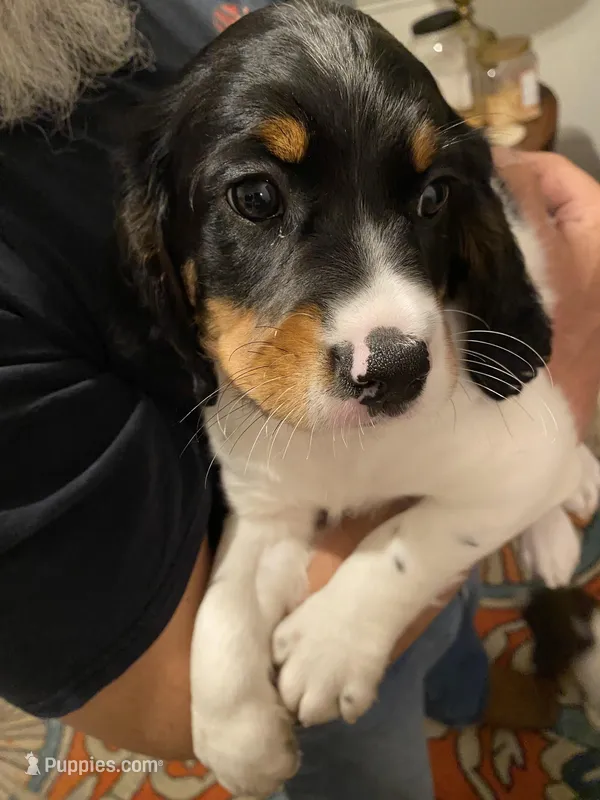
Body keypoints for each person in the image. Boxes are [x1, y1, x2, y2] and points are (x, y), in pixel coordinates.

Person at [1, 1, 600, 798]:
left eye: (426, 203)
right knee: (365, 757)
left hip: (431, 504)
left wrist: (552, 419)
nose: (386, 338)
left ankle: (474, 695)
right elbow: (260, 521)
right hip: (302, 631)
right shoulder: (193, 344)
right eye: (255, 198)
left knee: (458, 627)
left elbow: (521, 413)